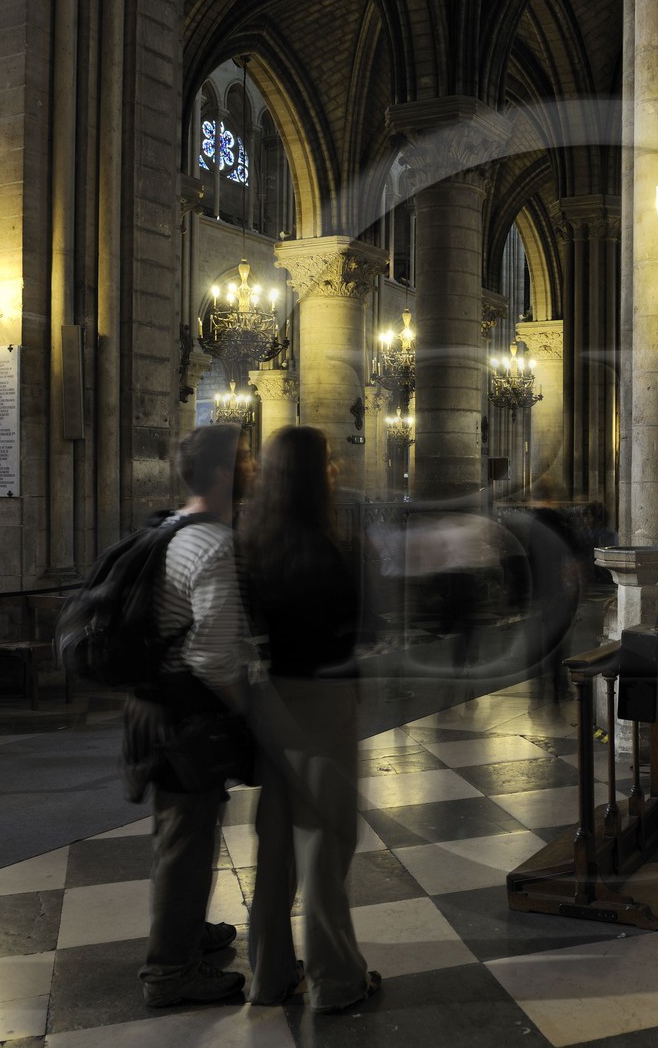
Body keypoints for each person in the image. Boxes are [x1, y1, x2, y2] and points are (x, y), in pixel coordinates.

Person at [238, 426, 379, 1013]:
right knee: (325, 837)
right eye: (326, 462)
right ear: (307, 475)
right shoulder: (330, 549)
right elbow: (363, 630)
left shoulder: (254, 541)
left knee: (274, 844)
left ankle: (268, 976)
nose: (336, 470)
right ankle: (335, 978)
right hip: (324, 699)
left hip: (272, 698)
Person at [122, 423, 254, 1008]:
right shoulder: (215, 542)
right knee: (188, 839)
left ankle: (187, 931)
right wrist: (252, 712)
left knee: (177, 834)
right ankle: (170, 971)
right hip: (187, 715)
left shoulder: (170, 528)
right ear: (225, 473)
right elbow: (213, 655)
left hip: (153, 705)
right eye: (247, 459)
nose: (255, 468)